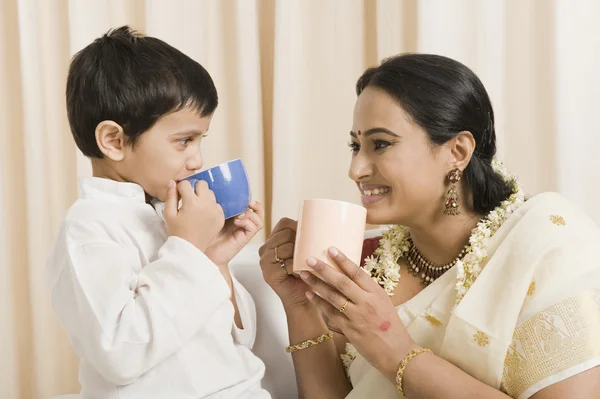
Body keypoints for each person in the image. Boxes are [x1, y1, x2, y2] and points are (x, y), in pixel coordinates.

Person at [259, 53, 600, 398]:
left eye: (380, 144)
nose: (356, 169)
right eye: (355, 146)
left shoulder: (547, 244)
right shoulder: (369, 263)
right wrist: (299, 305)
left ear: (458, 151)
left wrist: (395, 351)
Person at [47, 26, 271, 398]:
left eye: (201, 139)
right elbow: (120, 353)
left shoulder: (166, 214)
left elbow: (239, 340)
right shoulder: (87, 227)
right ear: (114, 141)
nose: (197, 159)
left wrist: (213, 260)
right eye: (184, 141)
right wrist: (186, 248)